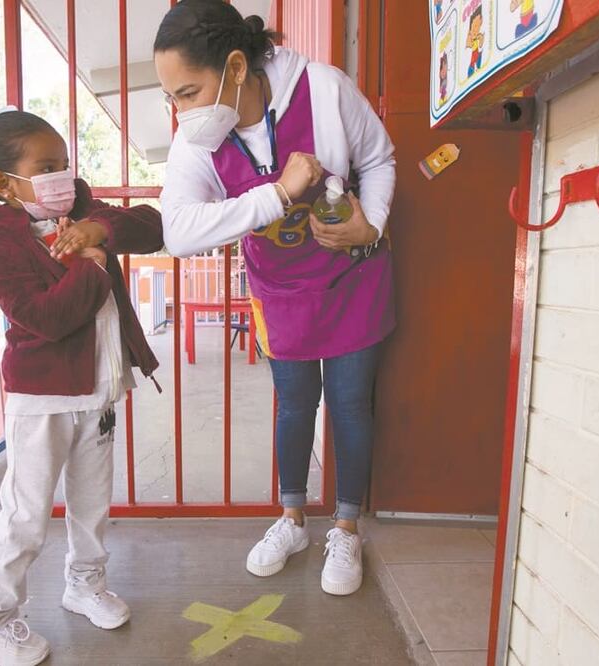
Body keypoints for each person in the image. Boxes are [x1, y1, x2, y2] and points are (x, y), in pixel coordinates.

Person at [154, 0, 396, 596]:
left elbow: (380, 159)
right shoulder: (198, 140)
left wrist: (375, 224)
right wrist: (279, 193)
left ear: (236, 67)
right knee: (294, 405)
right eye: (172, 98)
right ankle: (291, 520)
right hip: (281, 291)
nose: (181, 112)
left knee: (349, 406)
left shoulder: (325, 89)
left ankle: (345, 527)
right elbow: (179, 232)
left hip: (352, 278)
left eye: (188, 92)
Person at [0, 107, 164, 666]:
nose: (64, 175)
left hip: (99, 391)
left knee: (91, 503)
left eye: (65, 163)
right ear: (4, 184)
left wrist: (99, 232)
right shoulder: (1, 249)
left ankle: (85, 584)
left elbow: (151, 227)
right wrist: (94, 262)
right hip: (44, 400)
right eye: (48, 166)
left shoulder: (82, 209)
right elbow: (49, 318)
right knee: (26, 513)